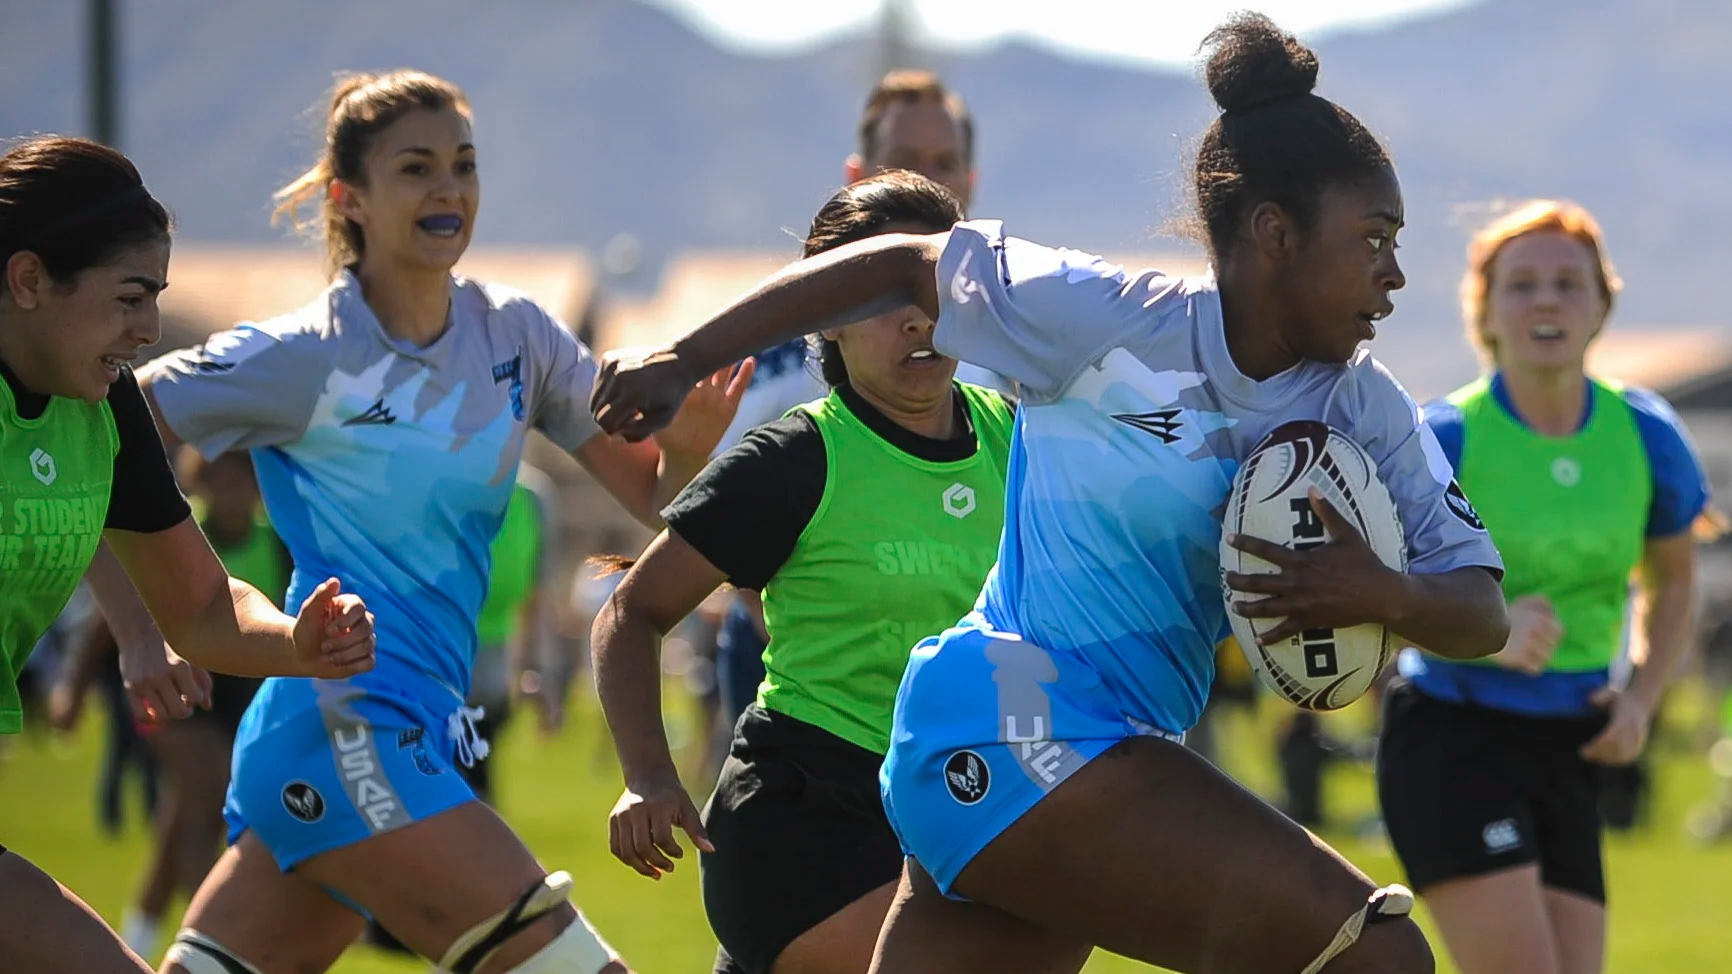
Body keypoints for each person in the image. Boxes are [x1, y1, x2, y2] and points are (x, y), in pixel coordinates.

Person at [590, 14, 1515, 974]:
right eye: (1373, 239)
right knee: (1379, 955)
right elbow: (903, 262)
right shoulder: (1108, 320)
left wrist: (1383, 594)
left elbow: (1480, 608)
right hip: (1008, 724)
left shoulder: (1365, 407)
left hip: (1096, 750)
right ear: (1275, 234)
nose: (1395, 274)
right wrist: (686, 356)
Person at [137, 70, 744, 974]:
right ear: (349, 199)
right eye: (416, 168)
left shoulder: (518, 337)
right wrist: (152, 614)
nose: (448, 188)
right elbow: (113, 424)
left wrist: (688, 452)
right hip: (347, 730)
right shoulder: (306, 355)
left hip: (394, 733)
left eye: (464, 164)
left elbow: (656, 499)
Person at [599, 172, 1012, 974]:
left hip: (958, 808)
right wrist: (648, 775)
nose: (917, 315)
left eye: (933, 284)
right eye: (883, 293)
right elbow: (631, 612)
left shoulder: (1019, 440)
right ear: (825, 316)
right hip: (806, 818)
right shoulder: (797, 458)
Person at [0, 134, 376, 974]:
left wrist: (297, 642)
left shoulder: (103, 409)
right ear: (28, 281)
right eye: (130, 298)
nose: (148, 330)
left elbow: (200, 605)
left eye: (156, 299)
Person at [1377, 200, 1710, 974]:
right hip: (1455, 737)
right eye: (1522, 285)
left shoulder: (1648, 434)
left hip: (1572, 743)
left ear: (1602, 306)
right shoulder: (1444, 436)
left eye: (1568, 283)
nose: (1547, 301)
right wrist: (1487, 631)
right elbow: (1371, 593)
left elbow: (1674, 580)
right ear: (1486, 311)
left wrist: (1641, 700)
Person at [711, 69, 999, 771]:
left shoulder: (1005, 341)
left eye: (943, 163)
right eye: (902, 161)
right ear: (856, 176)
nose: (924, 178)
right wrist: (805, 619)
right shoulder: (785, 339)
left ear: (969, 182)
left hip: (953, 684)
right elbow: (707, 498)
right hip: (799, 663)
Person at [47, 450, 294, 957]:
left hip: (235, 704)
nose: (231, 493)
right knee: (207, 791)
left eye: (242, 480)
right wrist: (72, 689)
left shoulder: (275, 543)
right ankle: (221, 946)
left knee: (183, 818)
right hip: (168, 687)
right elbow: (108, 618)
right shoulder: (180, 535)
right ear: (201, 481)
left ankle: (138, 946)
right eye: (220, 480)